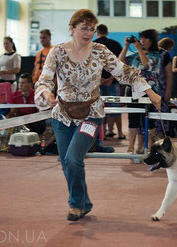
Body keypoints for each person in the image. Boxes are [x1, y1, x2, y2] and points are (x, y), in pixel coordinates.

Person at [34, 9, 161, 221]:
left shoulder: (101, 51)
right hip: (62, 116)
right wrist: (46, 93)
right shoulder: (56, 52)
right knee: (66, 162)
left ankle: (75, 204)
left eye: (91, 29)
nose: (88, 33)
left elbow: (125, 72)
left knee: (74, 158)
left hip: (91, 115)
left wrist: (150, 92)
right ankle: (83, 202)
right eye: (84, 28)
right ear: (72, 28)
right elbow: (45, 80)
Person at [119, 29, 172, 154]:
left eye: (145, 38)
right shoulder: (134, 55)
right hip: (133, 91)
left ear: (151, 40)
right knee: (133, 120)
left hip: (151, 91)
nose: (142, 41)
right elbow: (119, 62)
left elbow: (147, 64)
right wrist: (126, 46)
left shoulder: (156, 55)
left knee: (150, 121)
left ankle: (150, 148)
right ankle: (131, 147)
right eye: (140, 38)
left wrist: (138, 48)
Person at [93, 24, 125, 140]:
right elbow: (120, 63)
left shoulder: (92, 45)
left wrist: (99, 80)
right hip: (113, 80)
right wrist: (111, 79)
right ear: (107, 32)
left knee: (98, 108)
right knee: (116, 107)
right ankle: (120, 132)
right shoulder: (115, 44)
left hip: (97, 81)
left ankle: (101, 134)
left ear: (97, 32)